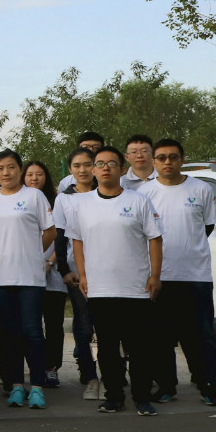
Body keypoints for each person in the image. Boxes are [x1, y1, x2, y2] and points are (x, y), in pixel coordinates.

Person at [66, 146, 164, 415]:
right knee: (107, 348)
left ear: (122, 169)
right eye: (100, 164)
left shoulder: (139, 201)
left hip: (136, 288)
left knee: (139, 347)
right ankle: (113, 396)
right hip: (100, 288)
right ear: (93, 170)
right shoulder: (81, 204)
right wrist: (83, 275)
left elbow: (155, 239)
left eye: (111, 163)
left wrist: (155, 276)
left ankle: (142, 398)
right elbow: (77, 242)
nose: (105, 168)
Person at [141, 138, 216, 405]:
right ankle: (166, 386)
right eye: (162, 157)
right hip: (159, 276)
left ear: (182, 160)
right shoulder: (144, 193)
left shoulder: (201, 189)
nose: (168, 162)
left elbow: (207, 226)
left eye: (173, 157)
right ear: (154, 162)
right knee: (160, 337)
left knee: (201, 336)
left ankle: (208, 387)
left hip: (195, 276)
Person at [0, 150, 56, 410]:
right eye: (0, 168)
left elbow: (50, 231)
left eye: (11, 167)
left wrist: (32, 252)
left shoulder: (34, 196)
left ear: (20, 170)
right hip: (0, 277)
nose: (6, 173)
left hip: (30, 277)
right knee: (9, 333)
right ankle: (16, 386)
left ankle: (37, 386)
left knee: (32, 331)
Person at [55, 146, 102, 398]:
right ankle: (89, 375)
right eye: (77, 166)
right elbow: (60, 236)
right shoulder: (65, 199)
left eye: (87, 164)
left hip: (108, 271)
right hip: (77, 270)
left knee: (109, 325)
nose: (82, 170)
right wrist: (64, 269)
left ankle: (114, 373)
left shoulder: (107, 192)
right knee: (84, 325)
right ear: (71, 170)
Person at [25, 160, 70, 390]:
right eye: (30, 174)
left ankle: (51, 368)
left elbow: (61, 235)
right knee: (31, 325)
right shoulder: (19, 201)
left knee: (53, 325)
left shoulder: (57, 201)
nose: (34, 178)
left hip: (53, 273)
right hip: (26, 272)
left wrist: (50, 261)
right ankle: (34, 368)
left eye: (39, 174)